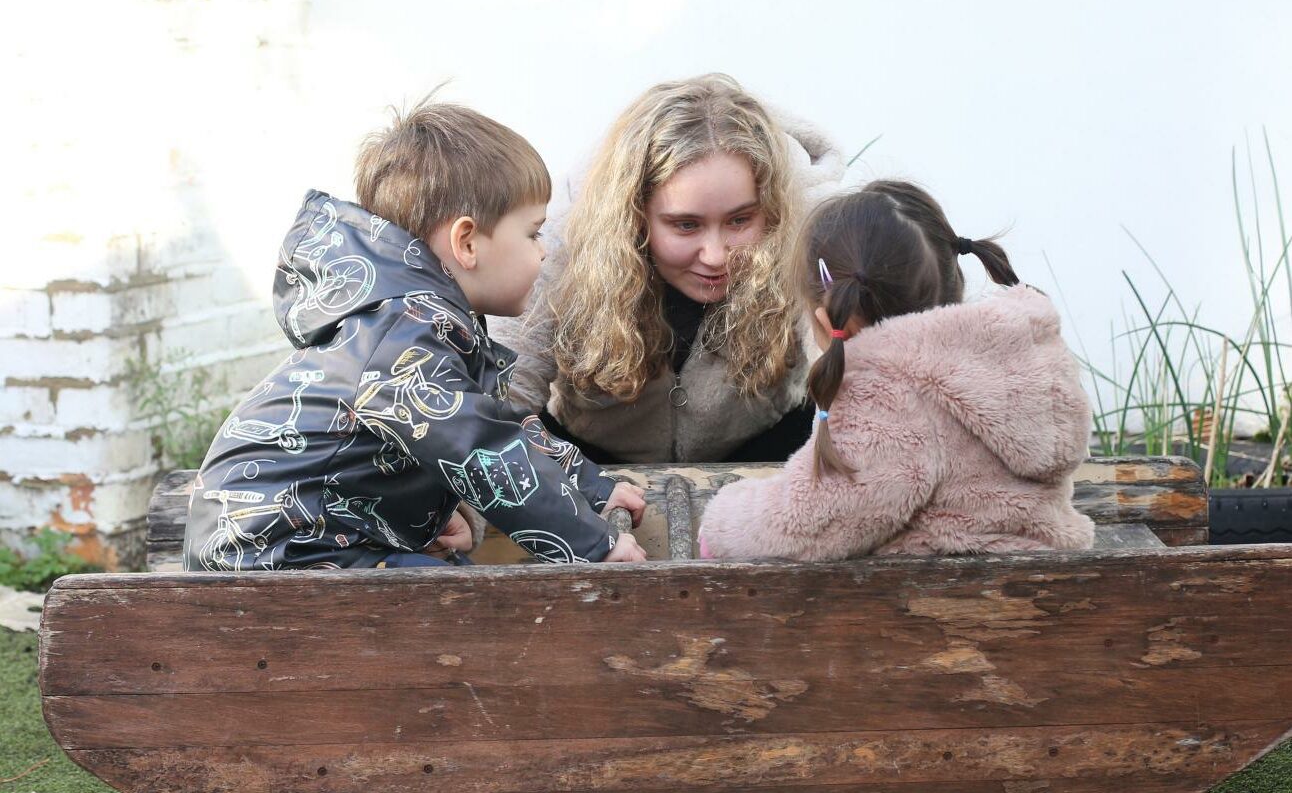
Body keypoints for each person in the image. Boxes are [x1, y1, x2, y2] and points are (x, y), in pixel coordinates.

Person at [182, 99, 647, 572]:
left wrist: (592, 488)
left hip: (315, 544)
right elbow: (478, 447)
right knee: (475, 617)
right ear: (467, 243)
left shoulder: (417, 324)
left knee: (464, 597)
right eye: (533, 234)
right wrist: (595, 546)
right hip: (269, 556)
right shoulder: (401, 334)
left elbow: (494, 424)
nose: (544, 253)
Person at [697, 179, 1095, 560]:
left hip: (946, 606)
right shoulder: (1012, 357)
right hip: (1036, 586)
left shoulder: (885, 396)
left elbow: (808, 526)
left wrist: (721, 522)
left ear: (829, 318)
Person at [491, 74, 843, 464]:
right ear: (635, 215)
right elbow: (502, 400)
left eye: (740, 220)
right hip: (591, 458)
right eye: (686, 225)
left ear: (772, 208)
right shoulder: (559, 245)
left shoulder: (809, 227)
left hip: (766, 445)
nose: (715, 255)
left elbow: (854, 363)